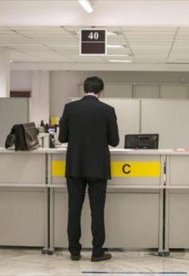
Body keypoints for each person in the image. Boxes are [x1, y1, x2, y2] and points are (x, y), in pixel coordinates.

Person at [59, 76, 119, 262]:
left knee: (74, 209)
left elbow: (62, 138)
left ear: (84, 90)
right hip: (98, 167)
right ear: (101, 91)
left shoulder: (70, 108)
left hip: (75, 166)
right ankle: (97, 252)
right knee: (97, 210)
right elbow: (114, 141)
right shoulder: (107, 110)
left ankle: (75, 251)